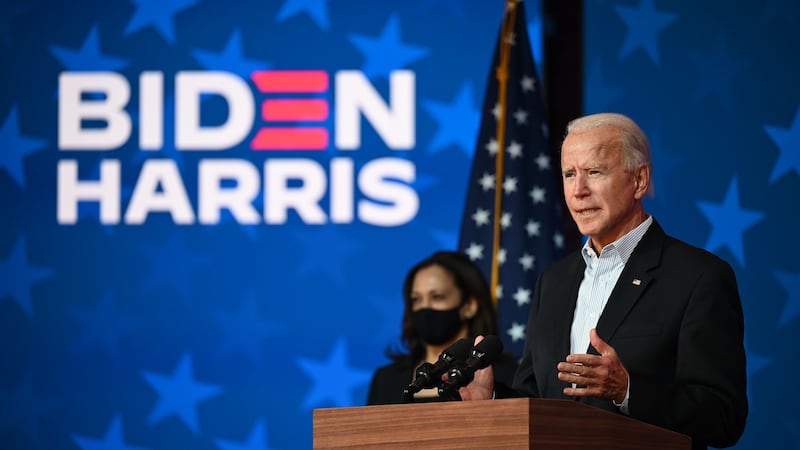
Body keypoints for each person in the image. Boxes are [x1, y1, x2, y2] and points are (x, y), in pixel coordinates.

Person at [459, 113, 748, 450]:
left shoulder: (698, 276)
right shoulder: (552, 283)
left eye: (594, 172)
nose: (579, 191)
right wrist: (491, 399)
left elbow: (724, 417)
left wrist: (627, 390)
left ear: (639, 181)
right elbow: (536, 398)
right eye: (570, 174)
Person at [366, 250, 519, 405]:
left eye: (437, 297)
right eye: (416, 299)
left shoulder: (506, 374)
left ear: (469, 305)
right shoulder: (386, 379)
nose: (425, 307)